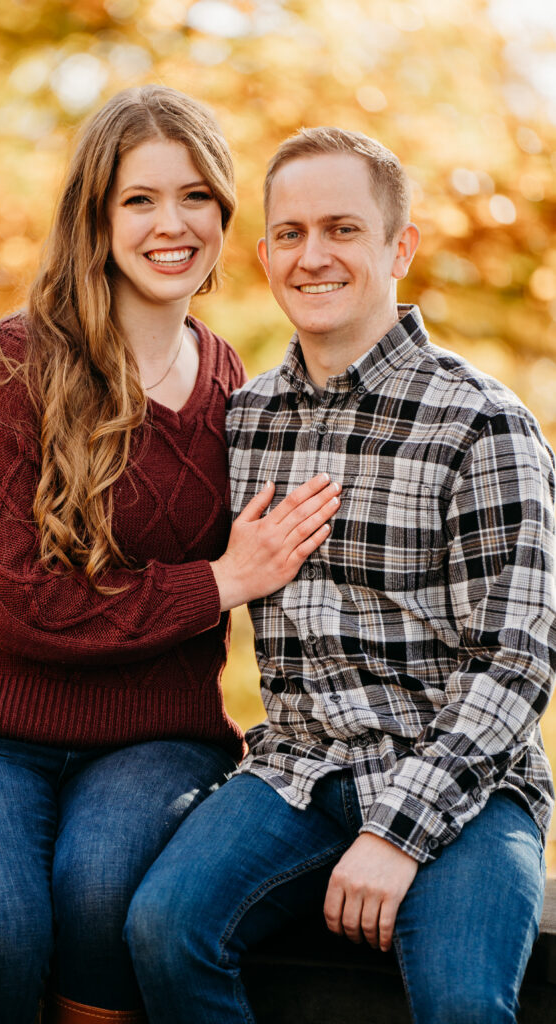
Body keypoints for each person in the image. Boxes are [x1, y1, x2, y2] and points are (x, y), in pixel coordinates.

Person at [0, 89, 342, 1024]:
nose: (171, 225)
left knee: (100, 903)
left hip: (153, 737)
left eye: (195, 197)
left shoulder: (232, 387)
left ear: (222, 215)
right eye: (138, 200)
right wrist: (216, 581)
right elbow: (15, 602)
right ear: (94, 215)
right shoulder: (15, 363)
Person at [125, 127, 556, 1024]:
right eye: (289, 233)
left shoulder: (481, 424)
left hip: (462, 783)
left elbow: (516, 666)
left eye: (342, 229)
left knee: (462, 1004)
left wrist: (394, 834)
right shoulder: (241, 424)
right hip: (296, 771)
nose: (311, 256)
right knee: (164, 929)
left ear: (400, 246)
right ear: (263, 253)